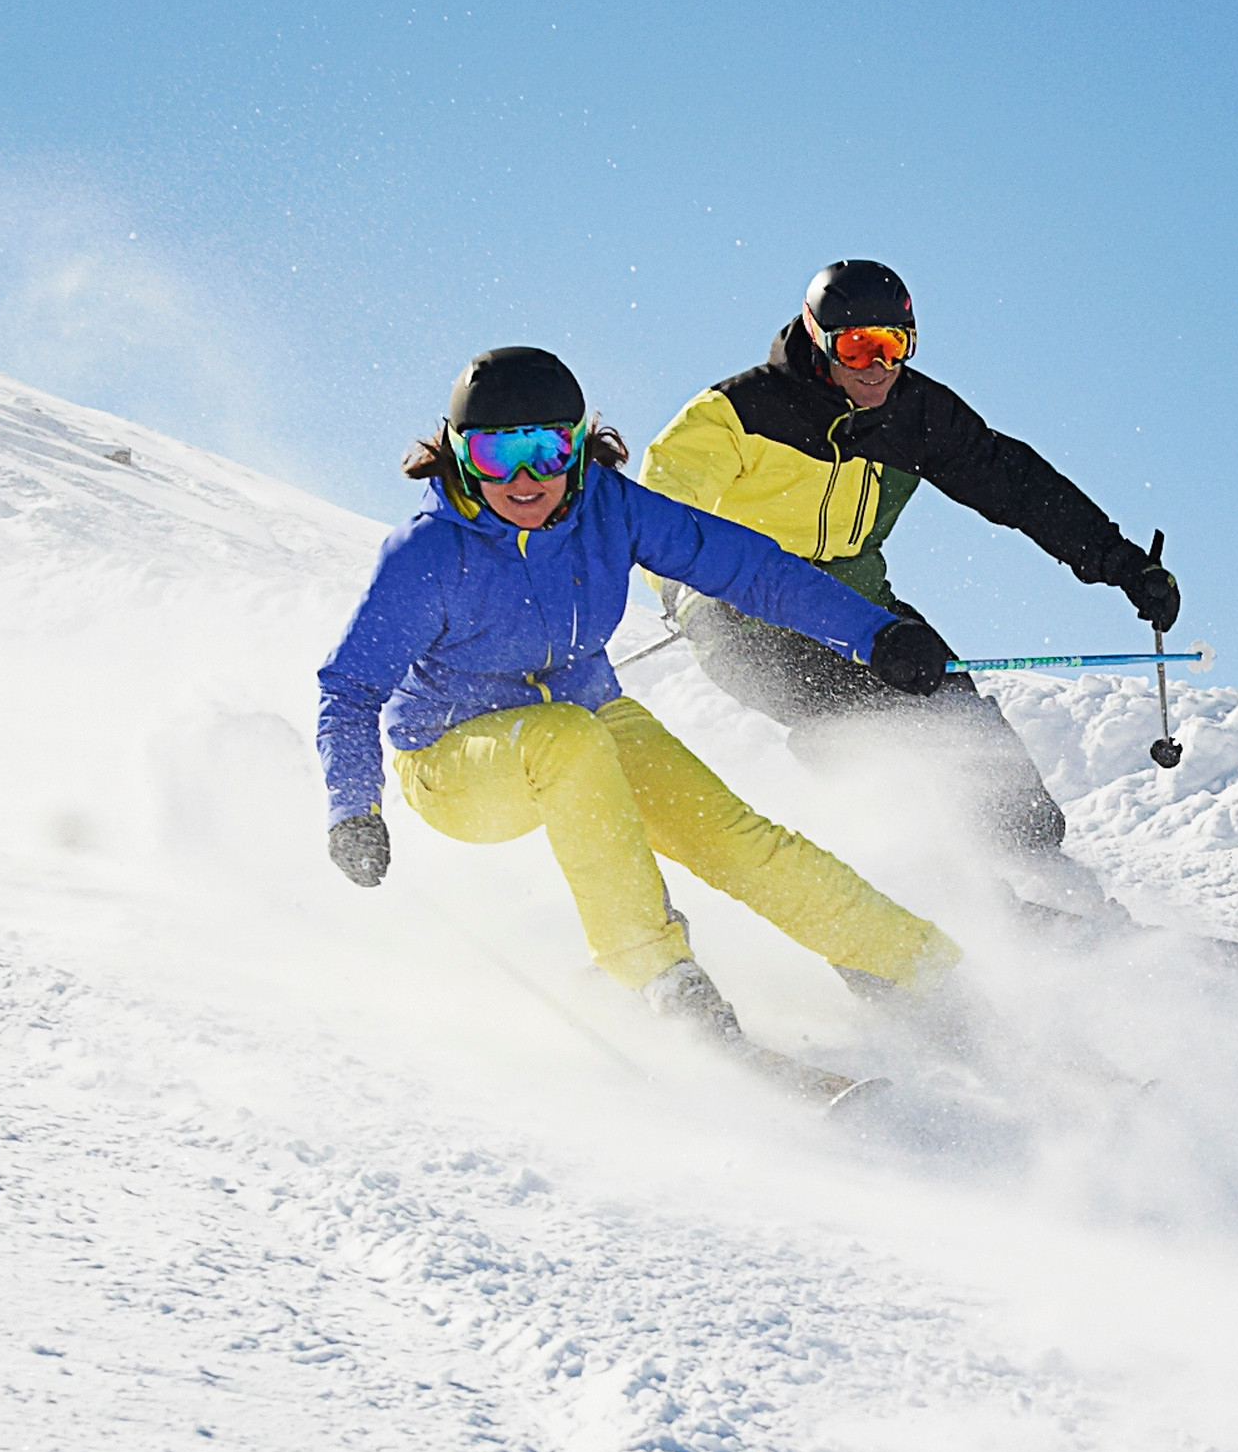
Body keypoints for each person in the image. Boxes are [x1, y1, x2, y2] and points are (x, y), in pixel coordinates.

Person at [316, 346, 972, 1060]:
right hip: (452, 764)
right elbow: (349, 688)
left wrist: (873, 633)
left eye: (546, 449)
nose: (527, 478)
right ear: (459, 455)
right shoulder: (429, 554)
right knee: (564, 739)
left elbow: (747, 568)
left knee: (729, 833)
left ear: (576, 445)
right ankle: (657, 982)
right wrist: (354, 806)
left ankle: (914, 967)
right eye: (498, 456)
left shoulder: (608, 509)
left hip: (587, 723)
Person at [635, 258, 1184, 920]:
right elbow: (657, 512)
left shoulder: (916, 414)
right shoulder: (735, 414)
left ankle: (1047, 878)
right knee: (862, 724)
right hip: (739, 612)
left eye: (892, 346)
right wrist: (681, 600)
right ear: (818, 339)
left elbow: (1017, 486)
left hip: (860, 600)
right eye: (856, 347)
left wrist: (1122, 563)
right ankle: (950, 898)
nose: (876, 367)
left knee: (957, 713)